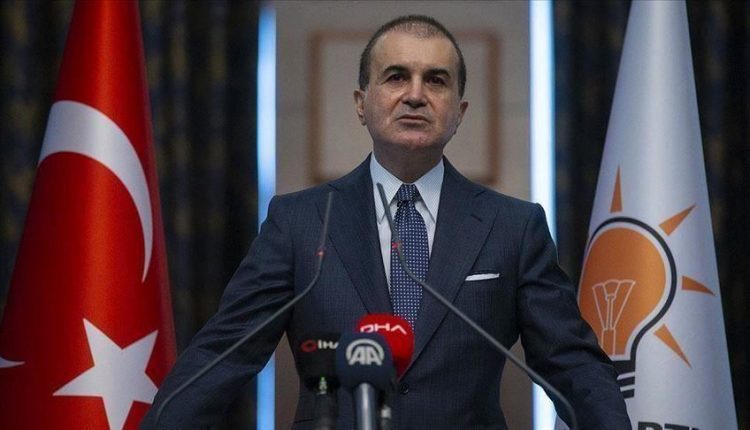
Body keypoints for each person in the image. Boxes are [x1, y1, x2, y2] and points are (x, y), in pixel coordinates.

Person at [143, 15, 630, 429]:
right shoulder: (300, 222)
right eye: (396, 77)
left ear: (458, 112)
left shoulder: (513, 227)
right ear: (362, 103)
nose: (415, 95)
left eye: (436, 81)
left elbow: (572, 365)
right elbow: (222, 357)